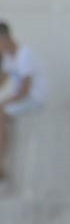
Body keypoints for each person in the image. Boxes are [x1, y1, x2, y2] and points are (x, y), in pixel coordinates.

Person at [0, 22, 48, 182]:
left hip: (34, 100)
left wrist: (6, 102)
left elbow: (25, 90)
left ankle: (1, 162)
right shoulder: (8, 57)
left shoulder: (24, 55)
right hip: (21, 100)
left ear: (4, 38)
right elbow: (3, 80)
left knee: (1, 112)